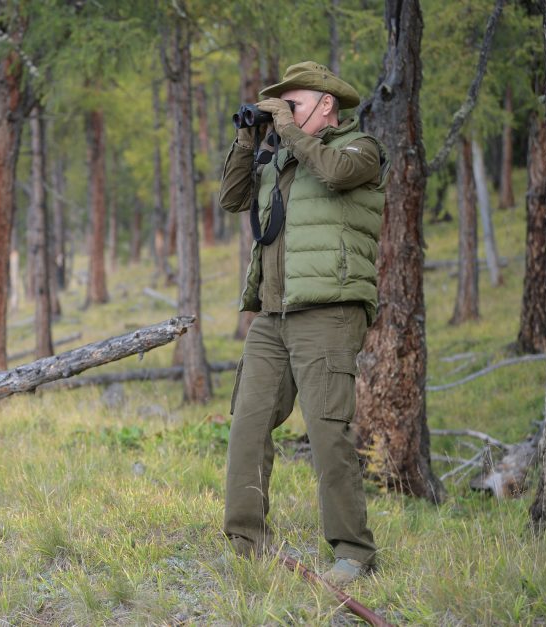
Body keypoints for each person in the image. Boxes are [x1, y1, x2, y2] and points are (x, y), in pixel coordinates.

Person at [218, 61, 390, 586]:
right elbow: (231, 199)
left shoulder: (360, 150)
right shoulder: (280, 157)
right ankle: (246, 542)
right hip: (273, 312)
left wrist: (288, 132)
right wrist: (250, 141)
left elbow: (335, 174)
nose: (282, 114)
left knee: (326, 431)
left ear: (326, 105)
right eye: (280, 106)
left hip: (330, 311)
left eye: (291, 104)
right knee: (247, 424)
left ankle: (354, 552)